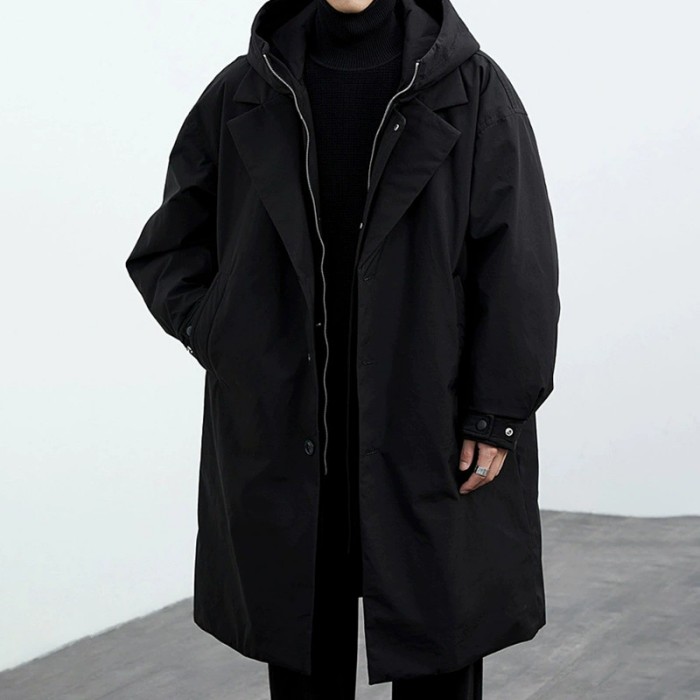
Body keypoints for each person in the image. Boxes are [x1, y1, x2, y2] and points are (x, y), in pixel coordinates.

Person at [125, 0, 560, 697]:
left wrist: (498, 410)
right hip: (292, 428)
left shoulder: (471, 87)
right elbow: (170, 247)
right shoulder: (246, 90)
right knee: (301, 652)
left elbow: (519, 260)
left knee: (440, 644)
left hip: (431, 423)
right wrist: (224, 334)